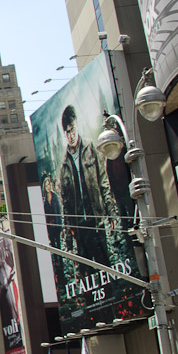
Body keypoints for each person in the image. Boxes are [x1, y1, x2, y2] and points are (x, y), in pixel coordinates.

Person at [57, 104, 120, 266]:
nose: (71, 135)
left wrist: (111, 213)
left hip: (96, 221)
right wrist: (69, 241)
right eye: (67, 132)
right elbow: (65, 206)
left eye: (72, 130)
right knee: (88, 272)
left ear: (77, 126)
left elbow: (104, 183)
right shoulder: (63, 167)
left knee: (106, 265)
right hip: (79, 229)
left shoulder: (92, 149)